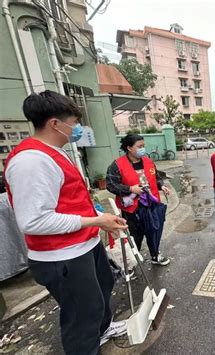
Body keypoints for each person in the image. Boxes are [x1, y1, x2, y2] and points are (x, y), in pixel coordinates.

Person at [4, 90, 128, 354]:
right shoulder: (31, 161)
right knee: (82, 315)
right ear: (55, 124)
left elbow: (68, 199)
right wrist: (95, 220)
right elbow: (34, 221)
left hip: (83, 246)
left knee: (103, 288)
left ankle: (103, 330)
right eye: (74, 122)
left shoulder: (56, 151)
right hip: (61, 256)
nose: (78, 128)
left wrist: (97, 220)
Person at [106, 134, 171, 266]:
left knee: (154, 231)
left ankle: (155, 255)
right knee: (136, 234)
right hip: (133, 207)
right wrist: (130, 189)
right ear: (129, 148)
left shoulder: (148, 161)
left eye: (143, 146)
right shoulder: (117, 165)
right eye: (139, 146)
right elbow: (111, 185)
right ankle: (134, 260)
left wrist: (162, 185)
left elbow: (156, 176)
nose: (143, 149)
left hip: (151, 204)